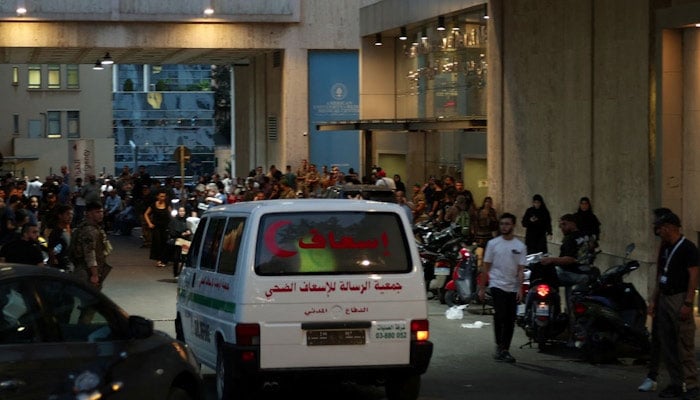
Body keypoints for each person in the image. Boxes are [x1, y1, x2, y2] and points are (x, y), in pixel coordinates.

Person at [642, 209, 699, 399]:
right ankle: (676, 382)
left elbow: (693, 276)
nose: (658, 232)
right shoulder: (665, 248)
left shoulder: (687, 248)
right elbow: (661, 275)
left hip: (679, 297)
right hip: (665, 297)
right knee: (667, 343)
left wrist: (688, 302)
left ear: (669, 227)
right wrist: (654, 299)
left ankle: (692, 385)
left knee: (684, 342)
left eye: (660, 228)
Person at [479, 212, 526, 363]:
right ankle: (500, 346)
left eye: (507, 224)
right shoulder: (493, 244)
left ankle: (505, 348)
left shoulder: (520, 246)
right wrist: (481, 287)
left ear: (513, 225)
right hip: (496, 284)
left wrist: (520, 288)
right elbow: (486, 267)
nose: (504, 227)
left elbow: (520, 270)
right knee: (500, 315)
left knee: (510, 318)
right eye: (502, 224)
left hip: (512, 287)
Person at [540, 214, 594, 308]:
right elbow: (593, 247)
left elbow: (569, 259)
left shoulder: (570, 238)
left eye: (564, 224)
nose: (562, 228)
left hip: (573, 273)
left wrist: (550, 260)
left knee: (546, 277)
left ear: (573, 224)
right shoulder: (586, 235)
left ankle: (553, 306)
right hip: (586, 271)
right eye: (560, 225)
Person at [69, 202, 112, 290]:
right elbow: (90, 253)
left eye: (101, 212)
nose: (101, 215)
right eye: (97, 212)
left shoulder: (93, 227)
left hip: (88, 269)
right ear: (89, 214)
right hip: (86, 270)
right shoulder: (89, 230)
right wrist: (94, 274)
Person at [144, 189, 172, 268]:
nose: (162, 198)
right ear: (157, 197)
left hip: (165, 226)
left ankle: (164, 259)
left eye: (164, 196)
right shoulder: (153, 205)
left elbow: (171, 214)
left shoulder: (167, 205)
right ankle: (158, 260)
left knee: (165, 242)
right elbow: (146, 214)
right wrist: (149, 223)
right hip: (156, 226)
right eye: (161, 196)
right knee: (157, 242)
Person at [47, 204, 74, 271]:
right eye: (67, 214)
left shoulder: (69, 231)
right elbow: (53, 252)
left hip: (70, 267)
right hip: (61, 269)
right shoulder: (56, 233)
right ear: (60, 216)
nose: (70, 216)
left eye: (72, 214)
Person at [167, 206, 192, 278]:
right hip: (177, 241)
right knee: (176, 258)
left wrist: (188, 232)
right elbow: (172, 232)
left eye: (183, 211)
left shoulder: (187, 221)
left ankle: (182, 273)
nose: (182, 213)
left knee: (184, 258)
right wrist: (181, 234)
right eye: (180, 211)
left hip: (185, 241)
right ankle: (176, 273)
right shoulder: (174, 221)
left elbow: (190, 229)